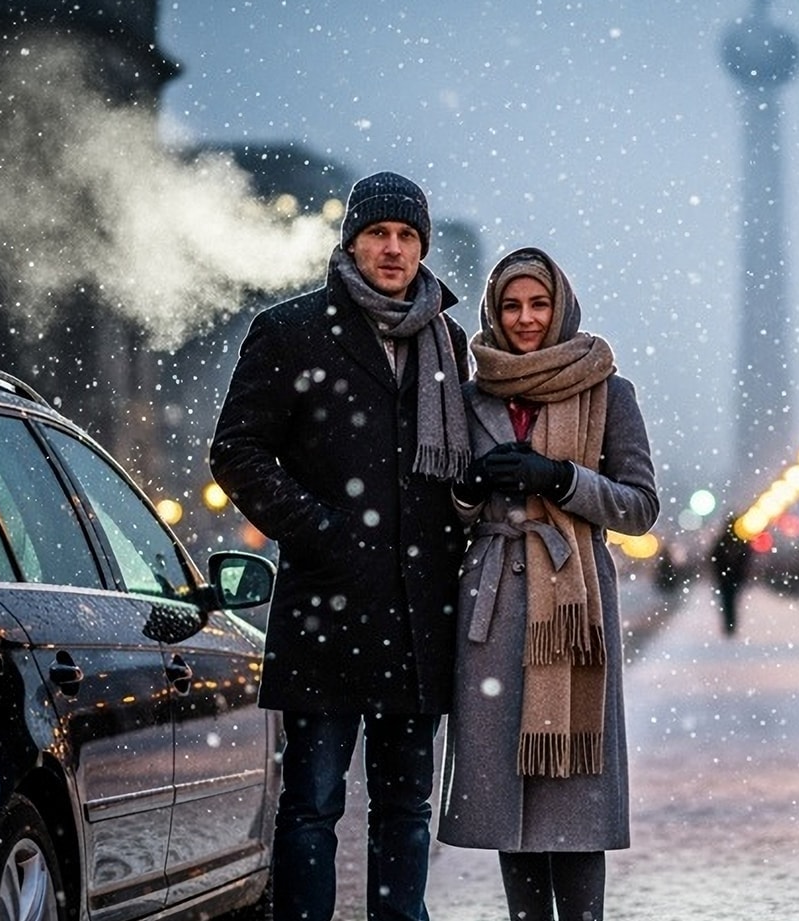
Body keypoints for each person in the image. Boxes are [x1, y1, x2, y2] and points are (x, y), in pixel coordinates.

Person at [209, 171, 470, 921]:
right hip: (325, 608)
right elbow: (237, 452)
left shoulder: (446, 342)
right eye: (377, 234)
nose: (392, 249)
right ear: (351, 242)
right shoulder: (290, 330)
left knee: (404, 809)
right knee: (313, 803)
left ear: (422, 246)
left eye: (406, 236)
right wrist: (322, 530)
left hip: (418, 616)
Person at [437, 247, 659, 921]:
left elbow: (640, 505)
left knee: (574, 793)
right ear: (493, 313)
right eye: (511, 305)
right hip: (497, 609)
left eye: (538, 304)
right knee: (512, 797)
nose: (526, 318)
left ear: (559, 307)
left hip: (572, 609)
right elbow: (445, 504)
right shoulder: (470, 395)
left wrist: (560, 480)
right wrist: (470, 490)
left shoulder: (606, 391)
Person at [709, 516, 754, 636]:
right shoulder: (738, 540)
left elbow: (714, 558)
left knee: (727, 602)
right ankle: (731, 624)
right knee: (732, 601)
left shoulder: (723, 540)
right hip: (734, 578)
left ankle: (729, 624)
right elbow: (746, 556)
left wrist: (721, 571)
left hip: (726, 578)